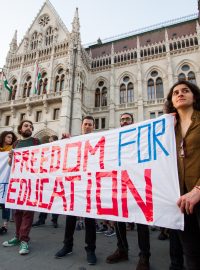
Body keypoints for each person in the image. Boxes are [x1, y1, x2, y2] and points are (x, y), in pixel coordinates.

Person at [106, 113, 151, 270]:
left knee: (141, 220)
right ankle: (122, 249)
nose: (124, 121)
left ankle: (144, 256)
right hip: (119, 183)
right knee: (118, 218)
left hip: (138, 183)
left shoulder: (141, 137)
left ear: (133, 122)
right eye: (122, 120)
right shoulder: (114, 139)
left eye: (127, 119)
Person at [166, 80, 200, 270]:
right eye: (175, 92)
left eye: (185, 90)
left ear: (194, 96)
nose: (180, 94)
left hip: (197, 193)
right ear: (171, 101)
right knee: (192, 255)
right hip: (181, 201)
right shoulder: (168, 129)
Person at [55, 116, 97, 265]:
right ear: (81, 125)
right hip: (75, 185)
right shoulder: (74, 140)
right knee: (70, 217)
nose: (87, 126)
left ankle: (90, 249)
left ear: (93, 126)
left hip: (90, 185)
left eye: (90, 124)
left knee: (90, 219)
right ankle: (67, 246)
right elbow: (62, 154)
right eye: (85, 124)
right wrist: (64, 139)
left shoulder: (99, 139)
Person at [2, 120, 40, 255]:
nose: (29, 127)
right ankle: (17, 237)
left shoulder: (36, 142)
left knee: (27, 212)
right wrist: (11, 158)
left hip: (30, 182)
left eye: (30, 126)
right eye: (26, 125)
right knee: (17, 211)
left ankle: (24, 240)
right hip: (17, 181)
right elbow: (9, 164)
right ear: (20, 128)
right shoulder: (16, 144)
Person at [32, 135, 59, 228]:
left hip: (55, 179)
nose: (49, 142)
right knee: (45, 199)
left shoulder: (59, 151)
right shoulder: (46, 152)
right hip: (46, 179)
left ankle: (54, 220)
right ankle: (41, 219)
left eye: (51, 141)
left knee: (55, 200)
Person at [0, 131, 17, 235]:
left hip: (6, 179)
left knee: (5, 203)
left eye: (11, 137)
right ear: (3, 137)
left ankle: (4, 225)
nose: (10, 139)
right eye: (8, 137)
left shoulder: (12, 151)